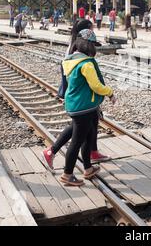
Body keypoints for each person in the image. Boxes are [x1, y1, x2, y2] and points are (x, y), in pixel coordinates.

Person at [42, 20, 112, 171]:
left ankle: (88, 165)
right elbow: (92, 84)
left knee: (88, 128)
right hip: (83, 100)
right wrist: (109, 93)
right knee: (79, 136)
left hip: (79, 100)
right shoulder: (84, 60)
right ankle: (67, 170)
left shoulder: (74, 49)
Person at [57, 29, 116, 186]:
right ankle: (67, 174)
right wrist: (110, 93)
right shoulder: (87, 64)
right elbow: (96, 86)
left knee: (88, 136)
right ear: (89, 46)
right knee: (77, 141)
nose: (95, 49)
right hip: (83, 107)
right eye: (93, 45)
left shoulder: (69, 60)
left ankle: (88, 168)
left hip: (77, 105)